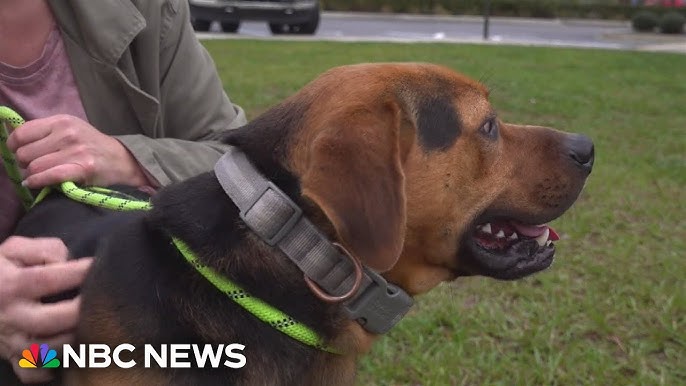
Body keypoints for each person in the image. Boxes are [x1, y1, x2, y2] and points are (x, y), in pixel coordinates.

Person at [0, 0, 247, 383]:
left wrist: (131, 159)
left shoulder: (144, 7)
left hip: (114, 340)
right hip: (48, 353)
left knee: (213, 359)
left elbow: (238, 165)